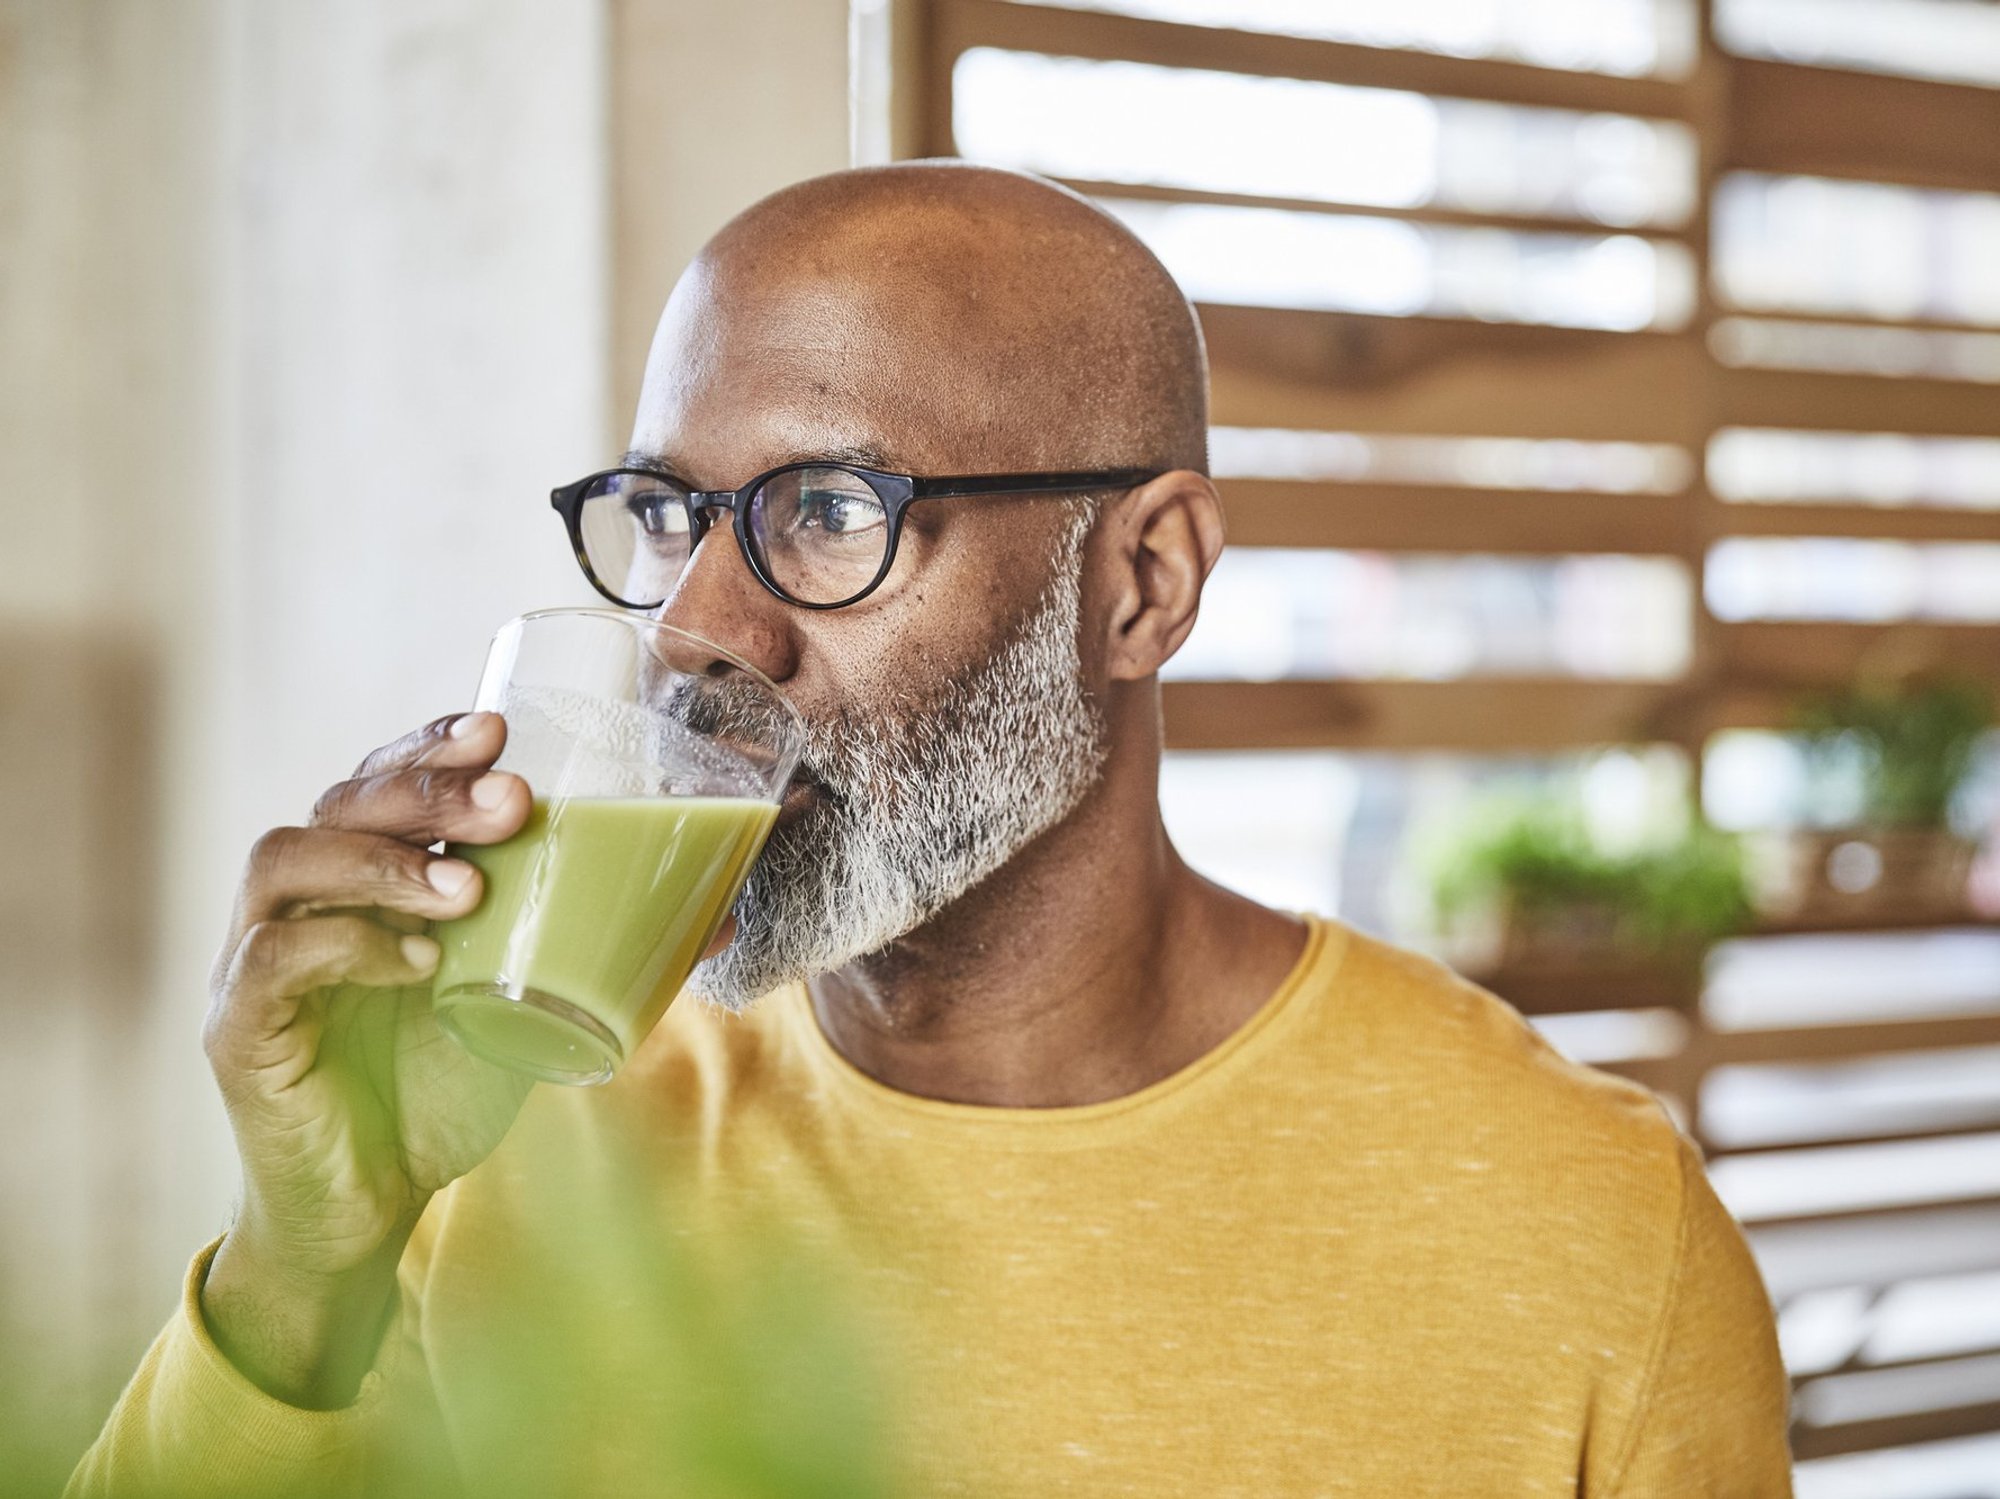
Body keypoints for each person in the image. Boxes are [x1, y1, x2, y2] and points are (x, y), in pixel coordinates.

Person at [67, 162, 1794, 1497]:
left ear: (1145, 581)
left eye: (830, 511)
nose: (698, 630)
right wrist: (309, 1256)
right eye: (672, 516)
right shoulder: (507, 1128)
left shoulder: (1587, 1232)